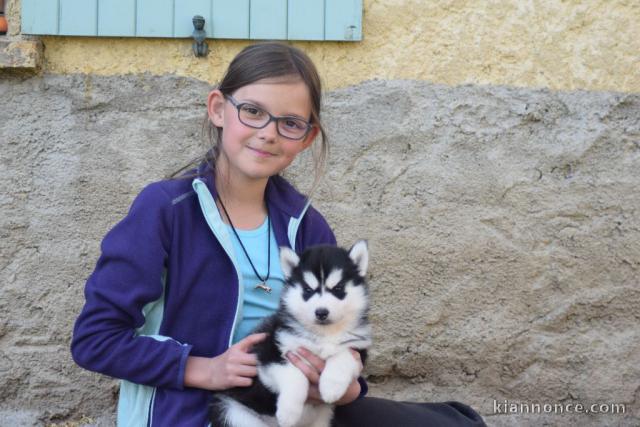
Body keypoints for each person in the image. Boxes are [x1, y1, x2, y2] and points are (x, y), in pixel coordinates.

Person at [71, 42, 485, 426]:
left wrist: (346, 381)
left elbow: (343, 335)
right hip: (198, 412)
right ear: (218, 108)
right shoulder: (165, 210)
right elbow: (95, 340)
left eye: (289, 123)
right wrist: (204, 368)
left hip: (297, 407)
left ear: (307, 137)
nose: (268, 132)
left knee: (455, 422)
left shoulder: (306, 225)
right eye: (252, 111)